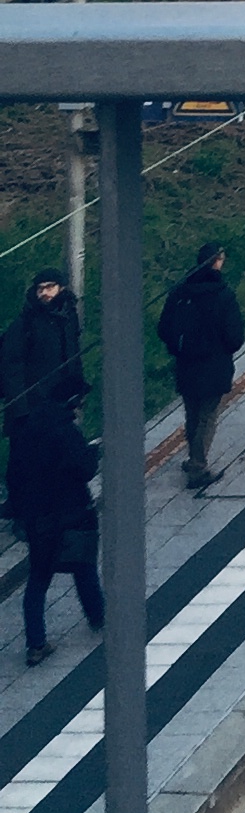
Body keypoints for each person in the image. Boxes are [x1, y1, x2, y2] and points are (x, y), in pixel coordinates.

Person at [9, 378, 101, 661]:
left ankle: (36, 643)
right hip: (71, 513)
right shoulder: (66, 432)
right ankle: (98, 616)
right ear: (73, 403)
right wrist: (93, 450)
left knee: (39, 577)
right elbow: (85, 469)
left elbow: (14, 475)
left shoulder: (27, 430)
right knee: (84, 566)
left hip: (38, 518)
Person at [157, 242, 243, 492]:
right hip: (214, 365)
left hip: (186, 363)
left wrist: (178, 348)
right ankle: (198, 465)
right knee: (208, 415)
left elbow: (164, 327)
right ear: (217, 262)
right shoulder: (224, 295)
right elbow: (234, 336)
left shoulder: (180, 292)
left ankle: (193, 457)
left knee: (192, 411)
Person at [0, 271, 85, 437]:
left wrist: (77, 391)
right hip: (30, 411)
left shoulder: (69, 319)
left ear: (61, 288)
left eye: (50, 287)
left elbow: (73, 357)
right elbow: (11, 367)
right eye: (40, 288)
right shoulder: (25, 323)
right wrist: (21, 411)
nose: (44, 293)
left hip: (61, 405)